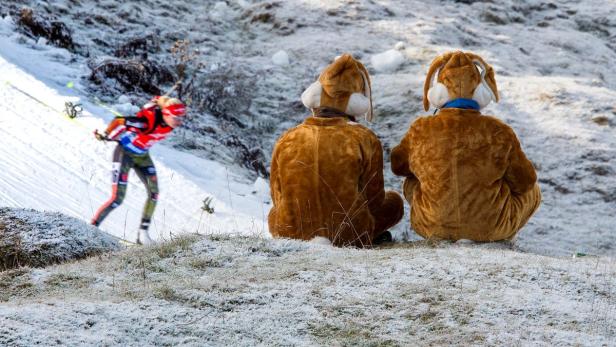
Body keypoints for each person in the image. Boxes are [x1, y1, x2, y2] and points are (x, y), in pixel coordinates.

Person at [391, 51, 541, 242]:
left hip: (432, 227)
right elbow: (525, 182)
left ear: (438, 92)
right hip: (489, 229)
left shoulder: (420, 128)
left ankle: (439, 225)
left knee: (411, 181)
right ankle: (501, 235)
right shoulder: (499, 131)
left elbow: (398, 166)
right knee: (533, 191)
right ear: (480, 91)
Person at [268, 54, 404, 247]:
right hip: (349, 236)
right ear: (356, 104)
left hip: (291, 235)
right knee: (394, 203)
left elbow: (277, 195)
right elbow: (373, 200)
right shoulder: (364, 138)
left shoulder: (287, 138)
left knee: (275, 213)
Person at [91, 96, 186, 245]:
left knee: (154, 194)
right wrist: (106, 133)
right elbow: (118, 121)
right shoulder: (146, 122)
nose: (179, 122)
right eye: (176, 117)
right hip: (124, 155)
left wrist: (158, 99)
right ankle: (92, 229)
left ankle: (142, 235)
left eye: (181, 117)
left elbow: (158, 100)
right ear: (166, 114)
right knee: (117, 199)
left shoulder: (167, 121)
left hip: (142, 156)